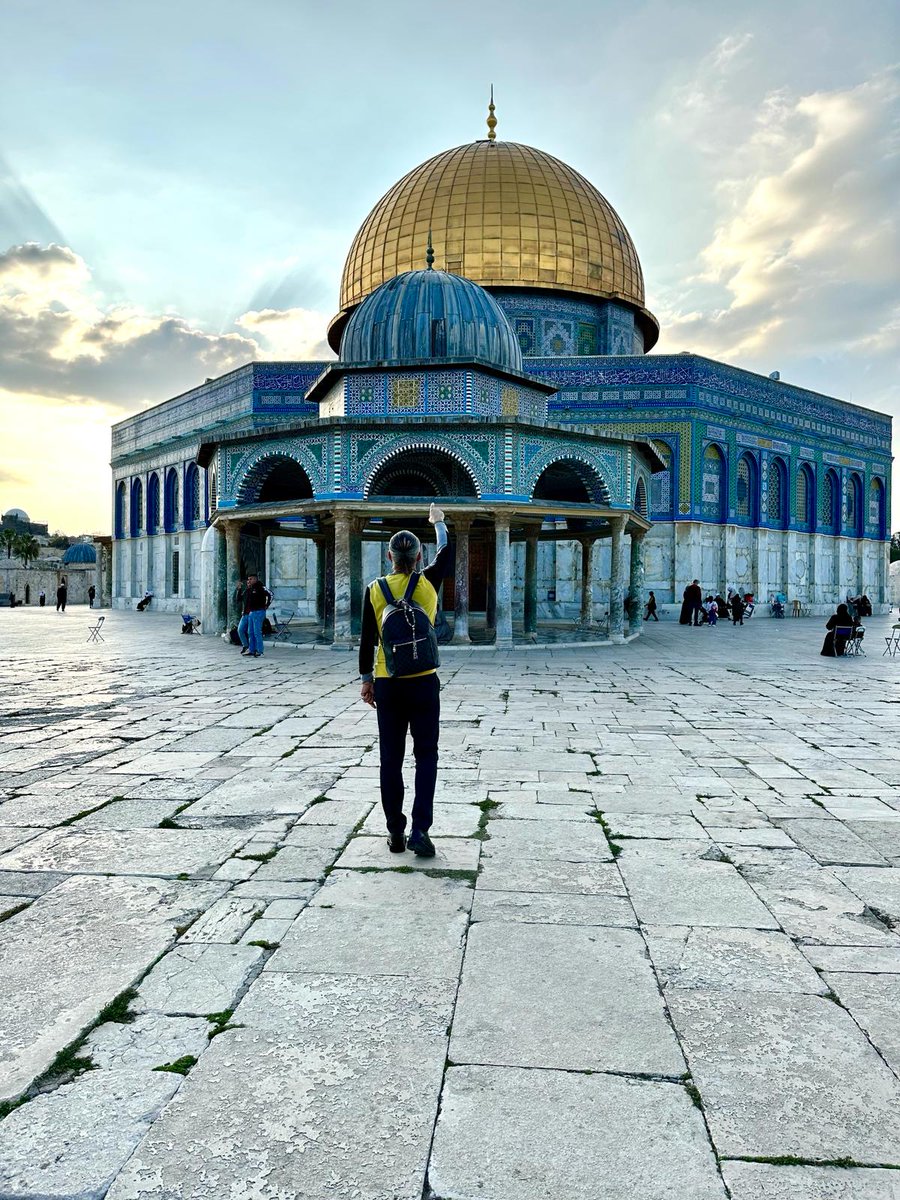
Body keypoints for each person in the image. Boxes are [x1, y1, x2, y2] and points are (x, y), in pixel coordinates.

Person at [359, 504, 451, 858]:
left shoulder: (375, 589)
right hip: (424, 681)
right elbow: (446, 551)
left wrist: (367, 680)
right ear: (419, 556)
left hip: (389, 681)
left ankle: (395, 832)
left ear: (389, 556)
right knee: (427, 755)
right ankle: (421, 831)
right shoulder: (429, 582)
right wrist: (438, 522)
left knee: (390, 759)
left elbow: (367, 639)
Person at [238, 572, 272, 658]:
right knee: (250, 632)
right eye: (248, 579)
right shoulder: (249, 589)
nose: (249, 581)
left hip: (258, 612)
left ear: (255, 579)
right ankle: (251, 649)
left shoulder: (261, 587)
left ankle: (260, 651)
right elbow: (242, 600)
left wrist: (266, 605)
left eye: (251, 579)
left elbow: (271, 594)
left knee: (257, 632)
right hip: (251, 613)